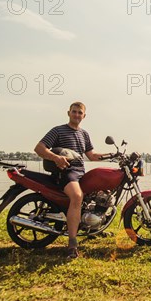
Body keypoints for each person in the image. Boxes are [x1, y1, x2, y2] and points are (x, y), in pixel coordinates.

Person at [34, 102, 109, 259]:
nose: (76, 115)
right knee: (77, 196)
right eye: (74, 112)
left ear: (84, 116)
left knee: (101, 192)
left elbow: (92, 156)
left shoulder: (84, 134)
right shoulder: (58, 130)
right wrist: (56, 158)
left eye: (79, 113)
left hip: (80, 172)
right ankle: (72, 243)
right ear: (68, 113)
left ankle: (92, 228)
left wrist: (113, 155)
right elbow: (39, 148)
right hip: (66, 172)